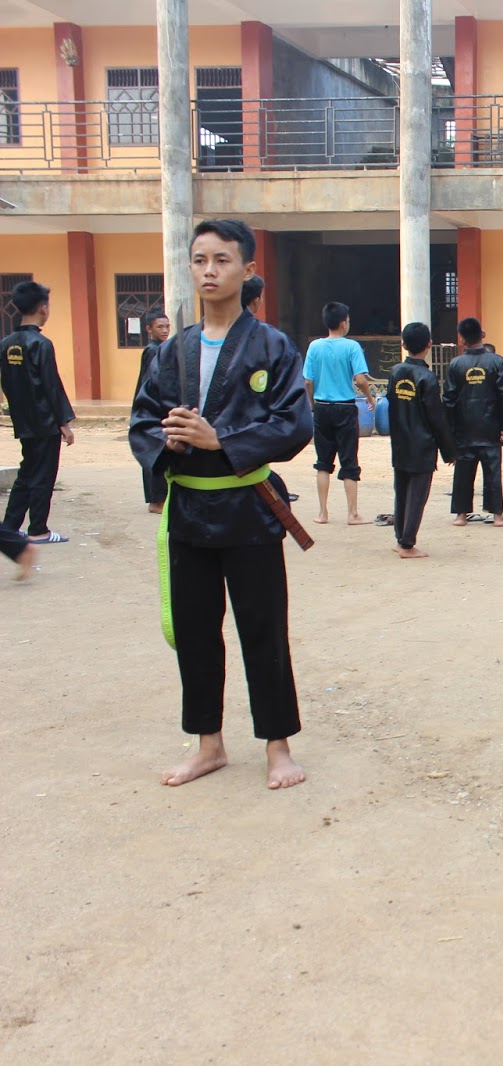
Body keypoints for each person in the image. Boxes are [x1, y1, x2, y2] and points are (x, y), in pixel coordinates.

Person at [128, 218, 315, 790]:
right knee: (195, 632)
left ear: (246, 269)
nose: (209, 271)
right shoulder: (172, 350)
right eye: (200, 260)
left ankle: (278, 747)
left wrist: (221, 440)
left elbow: (294, 423)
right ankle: (207, 743)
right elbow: (141, 419)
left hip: (248, 510)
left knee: (263, 629)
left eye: (222, 260)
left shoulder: (271, 345)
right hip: (189, 511)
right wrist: (167, 440)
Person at [0, 280, 76, 544]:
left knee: (27, 472)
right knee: (43, 475)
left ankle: (9, 527)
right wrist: (64, 422)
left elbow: (7, 384)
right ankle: (38, 529)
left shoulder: (6, 344)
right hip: (45, 422)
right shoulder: (41, 344)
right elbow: (51, 385)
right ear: (43, 308)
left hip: (24, 422)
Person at [387, 322, 456, 559]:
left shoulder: (395, 372)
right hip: (422, 446)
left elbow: (392, 408)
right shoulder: (427, 377)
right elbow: (436, 418)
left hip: (400, 444)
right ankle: (407, 544)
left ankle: (400, 539)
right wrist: (449, 451)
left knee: (401, 492)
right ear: (429, 344)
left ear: (403, 344)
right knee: (416, 497)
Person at [303, 301, 376, 525]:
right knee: (349, 461)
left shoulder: (314, 346)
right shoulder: (352, 347)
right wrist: (370, 397)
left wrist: (313, 403)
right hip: (345, 408)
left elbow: (308, 381)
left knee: (322, 462)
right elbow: (361, 379)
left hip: (322, 407)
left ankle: (322, 513)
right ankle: (352, 514)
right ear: (344, 323)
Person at [444, 317, 503, 527]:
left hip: (464, 429)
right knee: (493, 471)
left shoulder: (456, 364)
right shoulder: (497, 362)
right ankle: (498, 516)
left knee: (463, 472)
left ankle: (461, 515)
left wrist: (449, 431)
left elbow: (449, 399)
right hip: (490, 427)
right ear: (483, 334)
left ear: (462, 339)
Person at [137, 310, 173, 513]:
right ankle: (156, 501)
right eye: (160, 327)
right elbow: (150, 382)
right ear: (149, 329)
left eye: (167, 326)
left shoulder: (161, 348)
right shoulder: (153, 351)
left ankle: (159, 499)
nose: (165, 330)